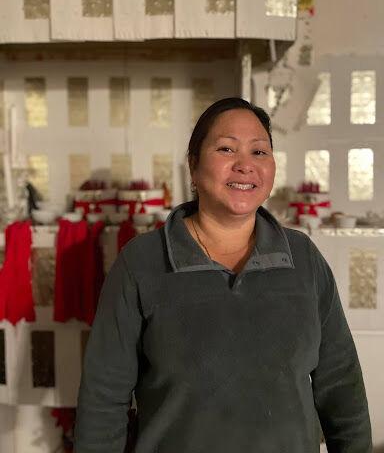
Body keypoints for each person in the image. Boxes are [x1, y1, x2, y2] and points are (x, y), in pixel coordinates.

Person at [74, 97, 372, 453]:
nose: (245, 165)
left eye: (259, 152)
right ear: (194, 167)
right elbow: (104, 399)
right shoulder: (143, 262)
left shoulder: (302, 258)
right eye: (226, 149)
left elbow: (341, 384)